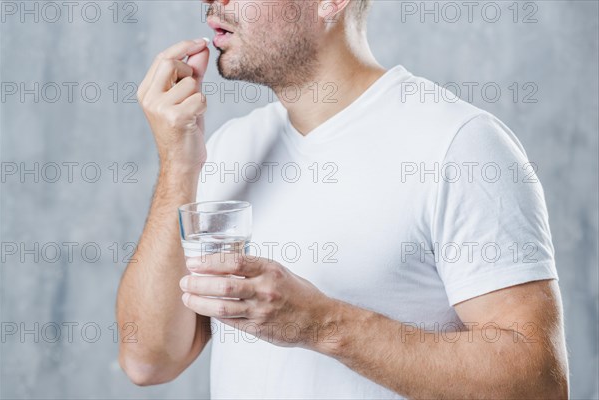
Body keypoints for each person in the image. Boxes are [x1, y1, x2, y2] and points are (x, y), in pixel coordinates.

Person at [116, 0, 569, 398]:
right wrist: (178, 164)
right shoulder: (230, 146)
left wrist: (323, 324)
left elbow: (538, 385)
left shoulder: (460, 145)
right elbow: (149, 361)